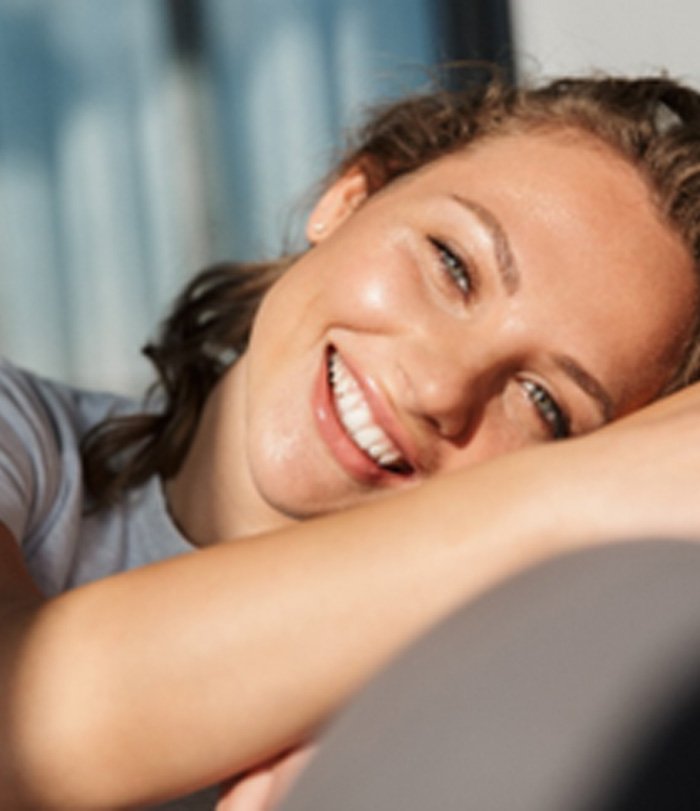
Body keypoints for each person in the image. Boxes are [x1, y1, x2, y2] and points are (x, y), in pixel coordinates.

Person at [4, 70, 700, 810]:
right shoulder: (27, 435)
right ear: (348, 198)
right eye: (453, 264)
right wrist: (579, 496)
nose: (439, 388)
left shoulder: (482, 705)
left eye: (543, 403)